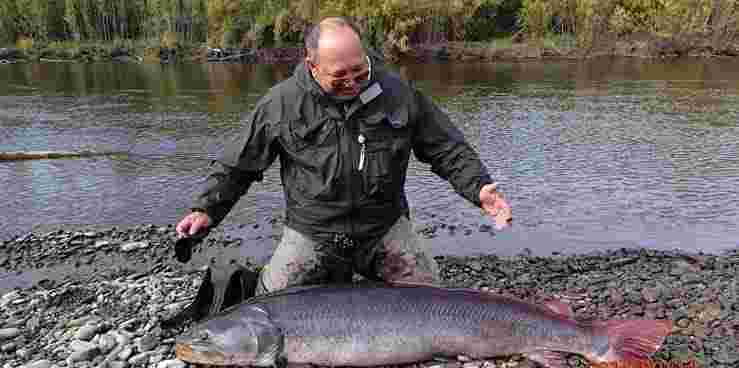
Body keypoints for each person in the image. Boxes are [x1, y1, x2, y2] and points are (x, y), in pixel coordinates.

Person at [176, 17, 512, 295]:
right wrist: (206, 209)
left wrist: (479, 188)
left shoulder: (397, 93)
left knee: (431, 301)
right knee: (270, 308)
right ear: (312, 65)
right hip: (313, 233)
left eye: (360, 71)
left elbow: (445, 146)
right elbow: (238, 165)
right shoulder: (281, 104)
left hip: (383, 227)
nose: (352, 82)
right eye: (339, 76)